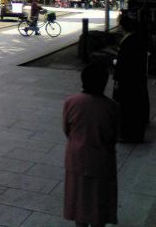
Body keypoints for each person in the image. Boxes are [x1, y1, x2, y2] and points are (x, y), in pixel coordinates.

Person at [63, 63, 119, 227]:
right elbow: (114, 136)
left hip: (76, 159)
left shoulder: (70, 102)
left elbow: (67, 130)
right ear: (104, 82)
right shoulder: (112, 107)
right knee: (99, 197)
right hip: (102, 160)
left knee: (79, 196)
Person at [113, 12, 149, 143]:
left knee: (128, 107)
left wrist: (116, 65)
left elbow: (124, 63)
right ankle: (134, 132)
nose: (118, 27)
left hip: (128, 80)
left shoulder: (129, 41)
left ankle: (128, 134)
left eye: (119, 24)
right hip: (136, 78)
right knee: (134, 105)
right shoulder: (136, 37)